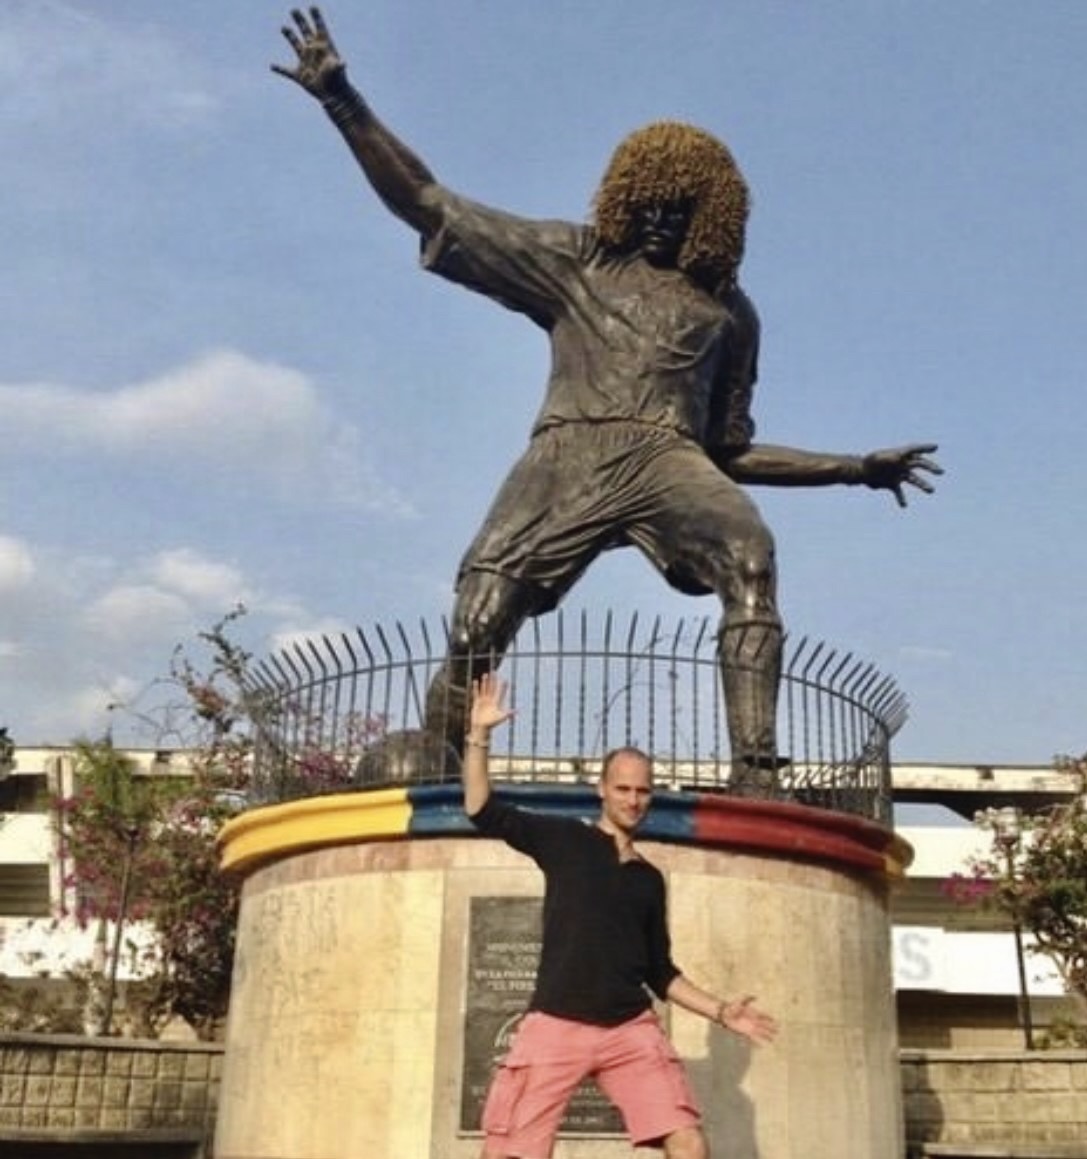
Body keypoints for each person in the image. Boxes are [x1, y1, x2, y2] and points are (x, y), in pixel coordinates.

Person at [273, 8, 943, 790]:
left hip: (668, 459)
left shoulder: (729, 312)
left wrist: (855, 467)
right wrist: (343, 101)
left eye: (680, 209)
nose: (661, 220)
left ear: (710, 216)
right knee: (478, 619)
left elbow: (727, 451)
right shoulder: (577, 261)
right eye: (650, 203)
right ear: (627, 197)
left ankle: (757, 767)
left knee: (750, 556)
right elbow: (428, 202)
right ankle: (441, 746)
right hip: (569, 450)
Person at [463, 673, 775, 1159]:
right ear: (602, 790)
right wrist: (479, 735)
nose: (633, 800)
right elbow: (481, 809)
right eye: (623, 788)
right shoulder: (564, 840)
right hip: (556, 1024)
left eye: (643, 791)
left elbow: (659, 971)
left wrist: (721, 1011)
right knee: (508, 1152)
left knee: (689, 1143)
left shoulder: (649, 879)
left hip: (629, 1029)